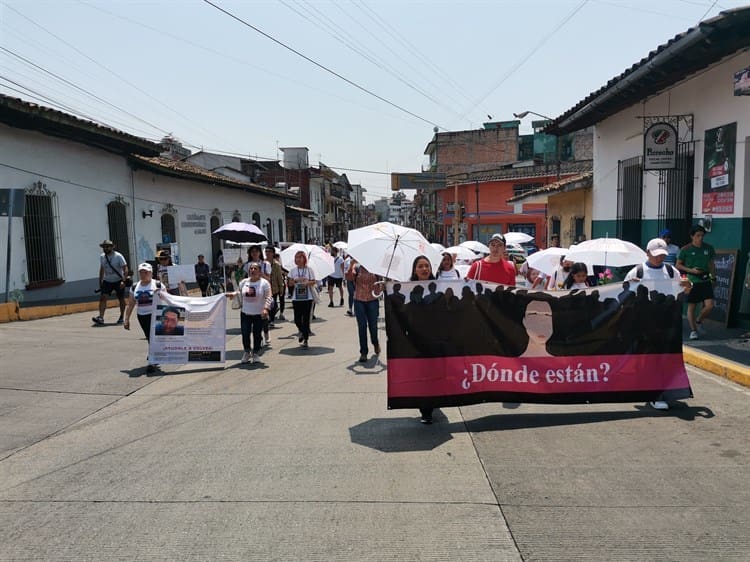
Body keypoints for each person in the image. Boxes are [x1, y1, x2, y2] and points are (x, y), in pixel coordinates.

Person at [625, 237, 691, 410]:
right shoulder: (637, 272)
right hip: (644, 324)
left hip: (667, 323)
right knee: (649, 360)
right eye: (656, 255)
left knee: (664, 360)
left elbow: (682, 289)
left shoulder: (671, 271)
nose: (659, 258)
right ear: (647, 253)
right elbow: (624, 295)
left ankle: (658, 392)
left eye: (662, 255)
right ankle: (654, 393)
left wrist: (688, 285)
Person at [409, 255, 436, 423]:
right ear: (415, 270)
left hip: (435, 338)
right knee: (421, 373)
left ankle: (429, 407)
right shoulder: (407, 288)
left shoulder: (439, 287)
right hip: (416, 339)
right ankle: (425, 408)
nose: (425, 269)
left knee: (433, 373)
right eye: (421, 266)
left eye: (427, 266)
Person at [676, 225, 715, 340]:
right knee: (691, 306)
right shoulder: (685, 249)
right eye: (698, 236)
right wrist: (691, 270)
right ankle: (693, 331)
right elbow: (678, 264)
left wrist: (713, 278)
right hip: (692, 280)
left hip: (705, 279)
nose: (700, 238)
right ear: (692, 236)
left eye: (702, 236)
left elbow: (711, 264)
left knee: (710, 305)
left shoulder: (709, 248)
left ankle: (699, 320)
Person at [230, 261, 273, 364]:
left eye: (255, 269)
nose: (253, 270)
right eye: (251, 269)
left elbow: (268, 296)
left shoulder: (264, 283)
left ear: (259, 271)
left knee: (257, 334)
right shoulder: (244, 282)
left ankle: (256, 353)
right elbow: (239, 292)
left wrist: (266, 309)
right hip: (245, 313)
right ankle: (247, 352)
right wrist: (233, 294)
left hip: (259, 314)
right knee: (245, 333)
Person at [123, 263, 163, 373]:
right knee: (149, 337)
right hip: (142, 316)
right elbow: (131, 304)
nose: (143, 274)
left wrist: (159, 294)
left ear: (151, 273)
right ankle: (154, 356)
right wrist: (126, 319)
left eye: (146, 272)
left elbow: (168, 298)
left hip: (156, 314)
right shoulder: (135, 286)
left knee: (152, 337)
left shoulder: (158, 284)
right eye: (141, 272)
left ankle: (152, 361)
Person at [348, 261, 382, 362]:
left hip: (372, 300)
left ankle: (375, 342)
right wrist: (351, 265)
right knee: (362, 326)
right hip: (359, 300)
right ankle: (364, 352)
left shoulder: (376, 267)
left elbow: (383, 280)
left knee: (373, 325)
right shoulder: (357, 267)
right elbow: (349, 278)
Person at [92, 239, 129, 325]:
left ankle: (121, 317)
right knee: (103, 297)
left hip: (118, 280)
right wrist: (100, 281)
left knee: (121, 299)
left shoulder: (118, 256)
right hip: (107, 281)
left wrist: (124, 280)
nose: (106, 248)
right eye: (104, 247)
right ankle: (101, 317)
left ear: (112, 247)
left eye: (108, 247)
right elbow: (102, 269)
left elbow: (125, 268)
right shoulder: (102, 257)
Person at [287, 250, 317, 348]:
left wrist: (306, 282)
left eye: (301, 257)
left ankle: (305, 338)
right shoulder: (293, 271)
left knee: (306, 319)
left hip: (307, 298)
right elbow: (290, 283)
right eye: (297, 257)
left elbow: (314, 282)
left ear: (304, 259)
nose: (299, 259)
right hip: (297, 298)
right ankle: (302, 331)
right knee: (297, 319)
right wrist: (296, 280)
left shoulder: (309, 270)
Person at [265, 246, 285, 329]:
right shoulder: (263, 263)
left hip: (274, 288)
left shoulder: (276, 265)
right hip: (264, 288)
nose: (267, 253)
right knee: (266, 304)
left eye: (269, 251)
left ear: (273, 253)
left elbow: (279, 278)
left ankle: (271, 320)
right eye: (266, 251)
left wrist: (281, 288)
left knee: (273, 305)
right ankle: (267, 318)